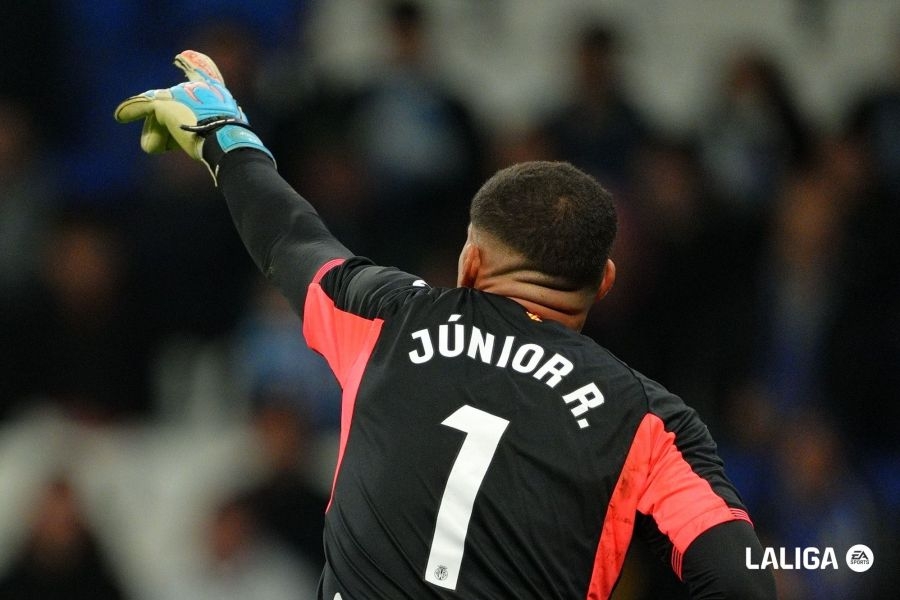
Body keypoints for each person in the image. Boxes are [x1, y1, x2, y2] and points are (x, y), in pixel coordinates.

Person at [115, 50, 775, 599]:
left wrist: (225, 136)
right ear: (603, 282)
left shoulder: (389, 316)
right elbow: (740, 580)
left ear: (471, 262)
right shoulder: (649, 421)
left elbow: (290, 238)